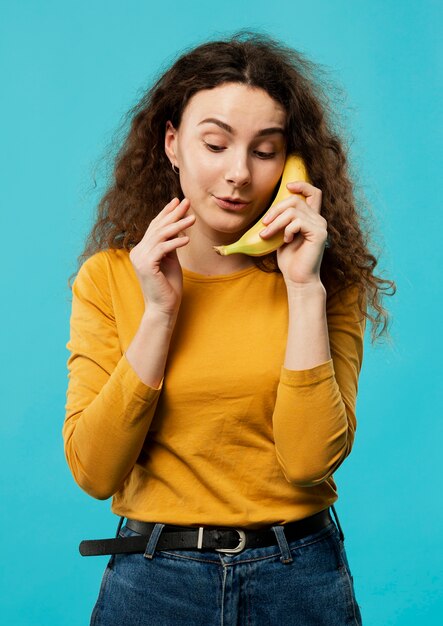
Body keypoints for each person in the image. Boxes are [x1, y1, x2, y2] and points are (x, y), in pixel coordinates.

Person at [64, 31, 394, 625]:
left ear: (293, 164)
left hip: (298, 578)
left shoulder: (322, 284)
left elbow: (308, 460)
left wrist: (302, 289)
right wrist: (160, 314)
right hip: (153, 580)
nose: (238, 172)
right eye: (215, 143)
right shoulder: (109, 279)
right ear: (172, 145)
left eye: (265, 151)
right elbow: (94, 470)